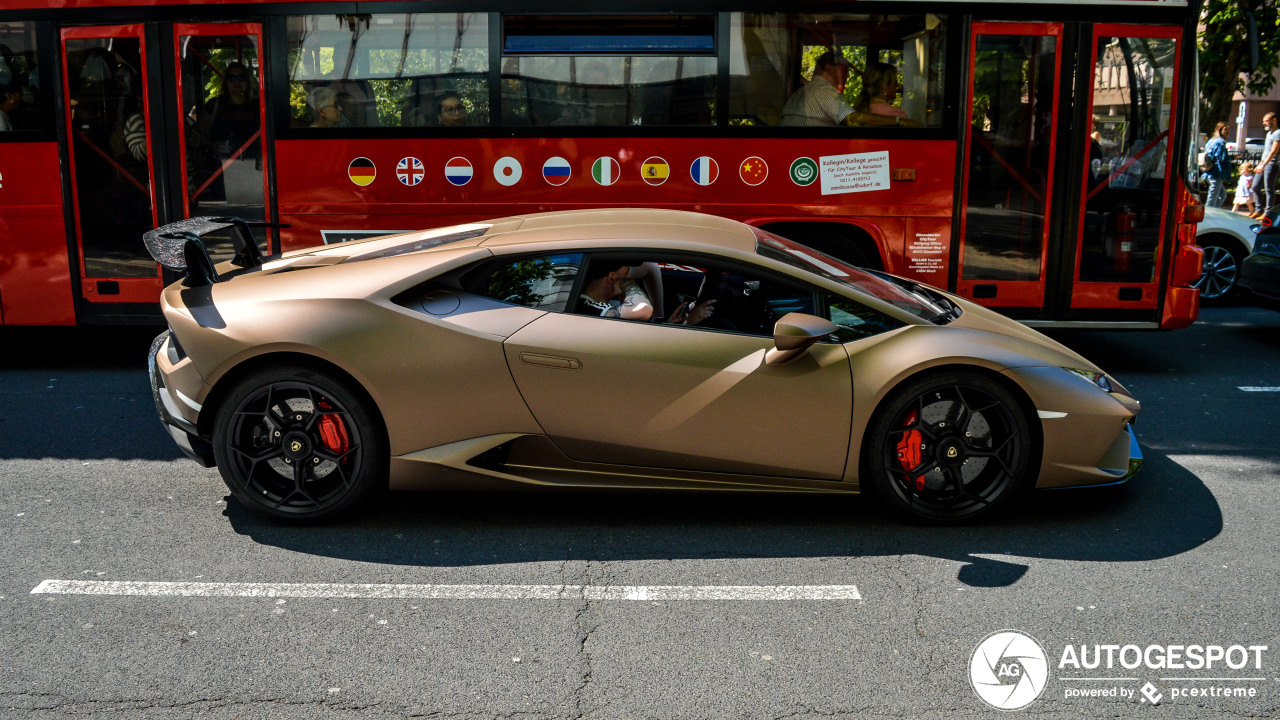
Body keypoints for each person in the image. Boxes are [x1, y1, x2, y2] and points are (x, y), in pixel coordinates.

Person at [780, 51, 854, 127]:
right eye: (844, 70)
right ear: (829, 69)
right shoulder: (825, 91)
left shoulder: (799, 92)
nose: (848, 75)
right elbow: (853, 120)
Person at [857, 62, 919, 126]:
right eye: (895, 82)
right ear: (885, 87)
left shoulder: (856, 111)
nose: (897, 85)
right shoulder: (896, 115)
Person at [1253, 112, 1280, 217]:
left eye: (1266, 121)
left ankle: (1267, 212)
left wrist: (1263, 165)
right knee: (1255, 186)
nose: (1264, 123)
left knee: (1269, 189)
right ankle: (1258, 209)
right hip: (1263, 163)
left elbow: (1273, 152)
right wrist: (1260, 164)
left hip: (1271, 165)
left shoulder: (1278, 133)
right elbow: (1266, 151)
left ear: (1274, 120)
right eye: (1264, 121)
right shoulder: (1269, 133)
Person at [1203, 121, 1230, 208]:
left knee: (1222, 195)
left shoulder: (1211, 140)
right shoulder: (1221, 142)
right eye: (1225, 129)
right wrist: (1233, 157)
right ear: (1219, 129)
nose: (1227, 131)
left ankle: (1215, 211)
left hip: (1209, 171)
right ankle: (1208, 213)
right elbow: (1222, 158)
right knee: (1212, 199)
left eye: (1228, 129)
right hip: (1216, 173)